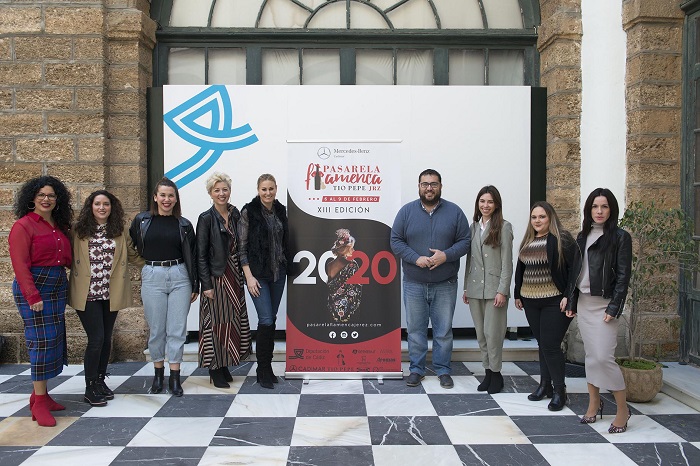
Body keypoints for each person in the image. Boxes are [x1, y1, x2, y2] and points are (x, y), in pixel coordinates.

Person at [391, 169, 470, 389]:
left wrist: (446, 256)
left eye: (433, 184)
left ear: (440, 186)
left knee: (443, 330)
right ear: (418, 186)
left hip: (445, 283)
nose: (429, 188)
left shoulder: (454, 212)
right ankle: (416, 369)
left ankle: (443, 370)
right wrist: (415, 259)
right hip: (414, 283)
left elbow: (465, 241)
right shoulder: (406, 212)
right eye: (425, 184)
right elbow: (396, 241)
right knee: (415, 330)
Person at [566, 188, 632, 433]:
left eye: (604, 206)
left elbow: (624, 276)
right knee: (592, 358)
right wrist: (571, 302)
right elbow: (576, 273)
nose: (600, 211)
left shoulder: (620, 237)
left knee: (605, 358)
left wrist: (614, 307)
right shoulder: (582, 236)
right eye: (595, 206)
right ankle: (595, 403)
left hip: (605, 305)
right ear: (589, 210)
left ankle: (623, 410)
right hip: (584, 303)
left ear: (611, 209)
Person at [68, 190, 143, 406]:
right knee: (96, 339)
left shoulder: (119, 231)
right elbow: (66, 255)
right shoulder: (78, 230)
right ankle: (90, 387)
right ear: (90, 206)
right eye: (98, 204)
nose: (102, 208)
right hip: (87, 293)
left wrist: (154, 266)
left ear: (112, 207)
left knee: (106, 339)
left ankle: (100, 381)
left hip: (110, 293)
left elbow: (132, 255)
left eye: (106, 204)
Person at [9, 176, 73, 427]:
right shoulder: (23, 226)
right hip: (35, 287)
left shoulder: (59, 226)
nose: (46, 199)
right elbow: (20, 264)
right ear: (32, 199)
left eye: (51, 196)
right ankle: (37, 403)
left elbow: (66, 257)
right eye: (41, 195)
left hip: (57, 286)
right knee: (40, 342)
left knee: (53, 338)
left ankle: (42, 396)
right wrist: (32, 295)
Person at [129, 177, 198, 397]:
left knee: (177, 330)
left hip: (180, 276)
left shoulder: (184, 224)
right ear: (155, 197)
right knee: (157, 329)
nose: (166, 199)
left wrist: (195, 283)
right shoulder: (141, 221)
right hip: (153, 275)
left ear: (176, 198)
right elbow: (130, 246)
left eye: (171, 195)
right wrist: (145, 266)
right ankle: (158, 374)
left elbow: (193, 256)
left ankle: (175, 377)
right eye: (163, 195)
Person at [514, 201, 576, 411]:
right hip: (531, 301)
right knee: (542, 344)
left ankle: (560, 391)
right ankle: (545, 385)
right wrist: (517, 294)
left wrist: (570, 296)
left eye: (542, 216)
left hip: (554, 300)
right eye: (534, 217)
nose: (537, 220)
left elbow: (576, 270)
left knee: (550, 345)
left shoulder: (562, 239)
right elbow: (520, 270)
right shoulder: (528, 240)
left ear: (550, 217)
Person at [196, 172, 251, 388]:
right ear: (210, 193)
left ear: (230, 191)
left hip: (235, 274)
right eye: (217, 190)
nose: (221, 193)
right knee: (216, 323)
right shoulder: (206, 218)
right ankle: (214, 368)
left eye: (225, 189)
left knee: (232, 321)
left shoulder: (236, 214)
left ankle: (225, 363)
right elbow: (200, 254)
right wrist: (205, 285)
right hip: (216, 276)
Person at [239, 174, 292, 389]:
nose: (268, 193)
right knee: (266, 319)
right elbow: (241, 248)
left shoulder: (281, 210)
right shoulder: (248, 212)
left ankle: (267, 367)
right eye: (264, 189)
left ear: (276, 189)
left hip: (278, 274)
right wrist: (249, 277)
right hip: (258, 276)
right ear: (258, 189)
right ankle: (263, 368)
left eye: (271, 188)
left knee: (272, 318)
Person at [462, 186, 514, 394]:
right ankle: (487, 372)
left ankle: (496, 374)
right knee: (481, 334)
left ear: (496, 205)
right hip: (475, 289)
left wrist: (503, 290)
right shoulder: (473, 227)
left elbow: (507, 263)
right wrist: (466, 286)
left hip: (494, 290)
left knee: (493, 334)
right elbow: (470, 260)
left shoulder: (504, 227)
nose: (485, 205)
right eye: (482, 201)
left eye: (490, 202)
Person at [326, 228, 362, 323]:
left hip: (331, 307)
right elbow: (356, 288)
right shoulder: (352, 265)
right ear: (346, 248)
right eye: (352, 248)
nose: (354, 250)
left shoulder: (329, 264)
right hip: (347, 311)